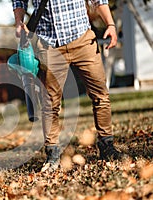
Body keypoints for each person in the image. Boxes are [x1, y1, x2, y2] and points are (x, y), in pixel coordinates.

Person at [12, 0, 122, 172]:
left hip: (83, 40)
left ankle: (107, 146)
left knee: (100, 95)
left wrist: (110, 24)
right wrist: (19, 21)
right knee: (50, 103)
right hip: (49, 46)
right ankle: (52, 155)